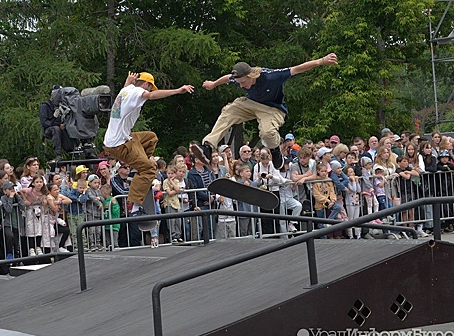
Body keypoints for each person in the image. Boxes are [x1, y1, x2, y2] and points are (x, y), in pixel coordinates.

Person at [198, 53, 338, 169]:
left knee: (266, 133)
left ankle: (275, 149)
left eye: (242, 82)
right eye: (238, 83)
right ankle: (208, 146)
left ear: (250, 76)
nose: (240, 86)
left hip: (272, 109)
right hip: (252, 104)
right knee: (228, 111)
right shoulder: (239, 78)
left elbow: (297, 69)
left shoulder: (270, 77)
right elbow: (227, 78)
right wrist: (213, 84)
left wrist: (321, 61)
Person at [103, 71, 194, 220]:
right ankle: (135, 208)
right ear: (147, 85)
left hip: (120, 139)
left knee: (151, 138)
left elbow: (129, 87)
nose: (149, 92)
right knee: (150, 169)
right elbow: (150, 95)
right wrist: (178, 90)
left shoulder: (126, 90)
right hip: (120, 144)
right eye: (150, 88)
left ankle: (139, 166)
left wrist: (128, 81)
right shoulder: (138, 91)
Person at [39, 85, 67, 162]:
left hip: (61, 127)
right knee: (56, 129)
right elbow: (44, 123)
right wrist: (55, 119)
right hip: (49, 130)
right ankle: (58, 154)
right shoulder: (45, 106)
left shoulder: (62, 106)